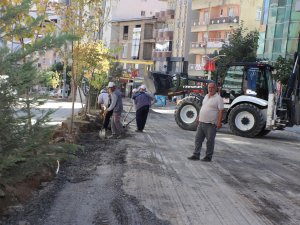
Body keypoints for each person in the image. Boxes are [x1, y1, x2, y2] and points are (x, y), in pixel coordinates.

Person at [188, 82, 224, 162]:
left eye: (212, 88)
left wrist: (219, 122)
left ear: (216, 89)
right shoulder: (206, 96)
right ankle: (196, 155)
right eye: (209, 88)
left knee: (210, 141)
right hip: (201, 123)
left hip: (211, 124)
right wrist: (198, 117)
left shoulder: (218, 98)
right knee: (198, 139)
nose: (210, 89)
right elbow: (203, 107)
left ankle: (208, 157)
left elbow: (221, 111)